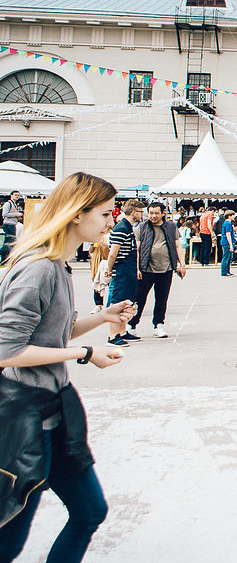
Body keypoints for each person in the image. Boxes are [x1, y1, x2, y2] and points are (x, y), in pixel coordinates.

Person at [0, 172, 132, 563]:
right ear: (78, 214)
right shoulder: (38, 267)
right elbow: (7, 349)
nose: (113, 220)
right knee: (8, 541)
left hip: (55, 413)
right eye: (107, 213)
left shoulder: (58, 264)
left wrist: (102, 316)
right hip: (24, 420)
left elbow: (51, 333)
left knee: (91, 511)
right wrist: (84, 354)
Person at [132, 202, 185, 339]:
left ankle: (158, 325)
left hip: (166, 268)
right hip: (146, 268)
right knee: (139, 298)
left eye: (156, 213)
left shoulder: (171, 227)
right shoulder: (142, 227)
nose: (153, 216)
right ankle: (132, 325)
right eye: (151, 213)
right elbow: (136, 248)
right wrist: (137, 267)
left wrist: (182, 264)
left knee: (162, 298)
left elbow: (177, 245)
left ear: (163, 213)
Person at [103, 199, 145, 347]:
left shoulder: (128, 227)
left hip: (128, 271)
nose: (142, 215)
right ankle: (113, 336)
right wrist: (109, 268)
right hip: (121, 271)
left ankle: (121, 331)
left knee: (126, 302)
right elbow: (113, 252)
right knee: (117, 303)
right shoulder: (121, 228)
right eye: (140, 212)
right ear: (133, 212)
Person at [218, 210, 235, 277]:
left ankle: (227, 271)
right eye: (233, 215)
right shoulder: (228, 224)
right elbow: (228, 234)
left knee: (229, 257)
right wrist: (231, 245)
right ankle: (224, 271)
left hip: (225, 241)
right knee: (226, 257)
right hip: (226, 242)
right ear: (229, 216)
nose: (234, 217)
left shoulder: (226, 223)